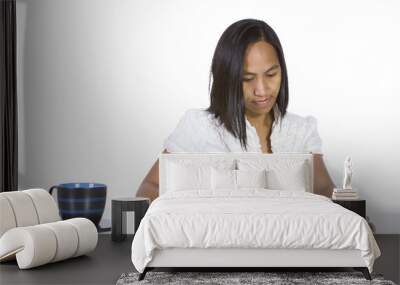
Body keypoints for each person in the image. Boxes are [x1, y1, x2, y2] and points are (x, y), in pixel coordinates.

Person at [136, 18, 335, 202]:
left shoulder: (300, 130)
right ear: (227, 78)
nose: (262, 90)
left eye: (271, 74)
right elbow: (149, 187)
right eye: (247, 79)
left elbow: (325, 192)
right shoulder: (199, 127)